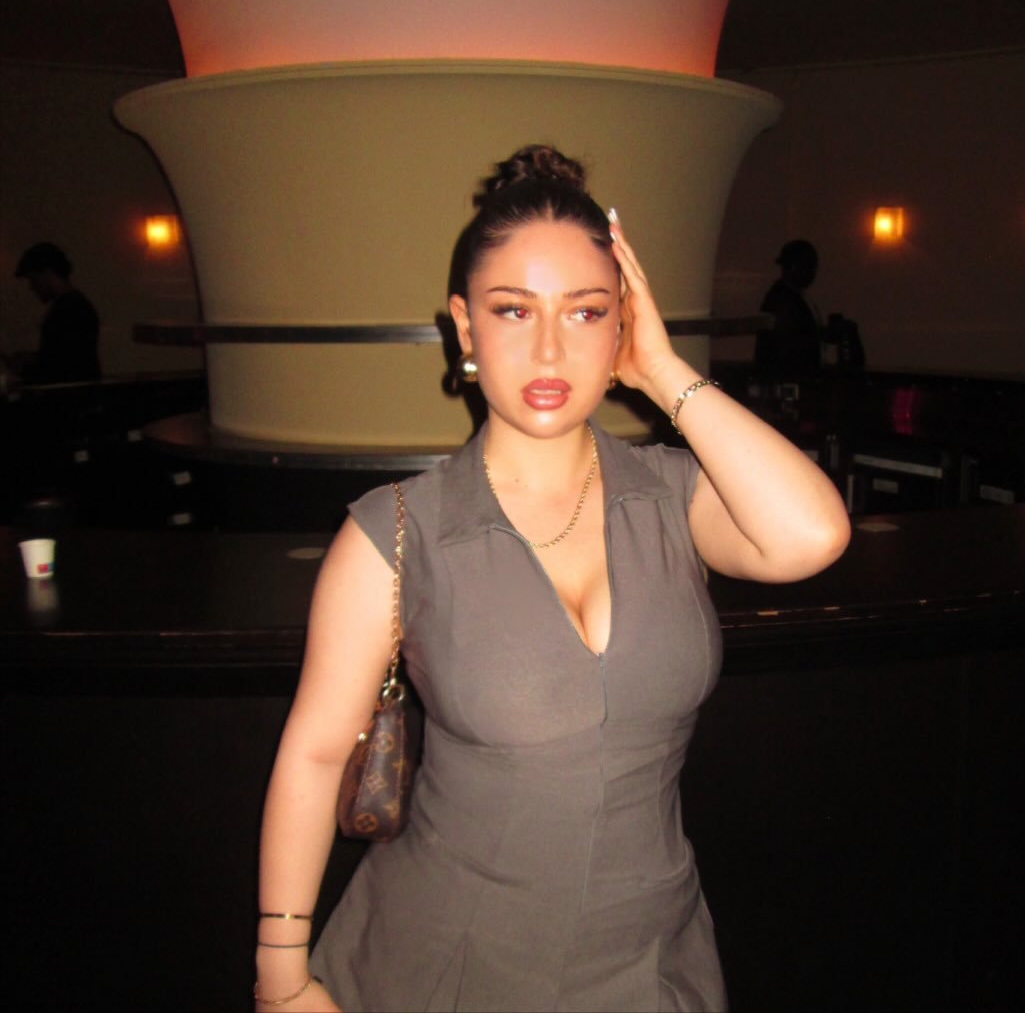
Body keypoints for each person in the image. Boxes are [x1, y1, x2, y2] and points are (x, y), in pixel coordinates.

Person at [255, 146, 850, 1012]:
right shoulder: (397, 532)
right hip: (447, 962)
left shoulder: (674, 497)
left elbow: (814, 535)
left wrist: (663, 373)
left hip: (649, 959)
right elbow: (314, 756)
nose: (547, 347)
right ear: (465, 328)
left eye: (585, 312)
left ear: (622, 323)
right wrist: (280, 975)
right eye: (512, 309)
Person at [12, 242, 101, 384]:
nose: (31, 287)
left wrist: (25, 368)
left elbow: (62, 368)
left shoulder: (69, 311)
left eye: (33, 279)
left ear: (47, 273)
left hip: (69, 395)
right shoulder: (76, 307)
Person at [753, 239, 822, 378]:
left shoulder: (790, 296)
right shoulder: (783, 300)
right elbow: (787, 345)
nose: (812, 273)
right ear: (794, 267)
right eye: (809, 267)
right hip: (789, 377)